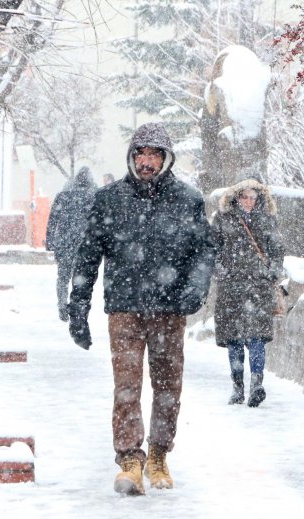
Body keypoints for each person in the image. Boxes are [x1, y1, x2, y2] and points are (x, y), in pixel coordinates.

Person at [67, 122, 216, 496]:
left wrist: (195, 289)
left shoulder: (188, 200)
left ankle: (159, 454)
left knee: (168, 386)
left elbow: (203, 253)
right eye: (140, 154)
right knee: (127, 386)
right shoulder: (109, 199)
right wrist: (77, 308)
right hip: (125, 309)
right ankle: (130, 459)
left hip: (169, 310)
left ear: (166, 159)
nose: (146, 162)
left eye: (154, 155)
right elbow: (87, 256)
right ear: (131, 157)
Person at [211, 178, 285, 407]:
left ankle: (256, 384)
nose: (249, 201)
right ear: (236, 197)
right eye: (245, 197)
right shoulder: (222, 219)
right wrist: (221, 270)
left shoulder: (267, 219)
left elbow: (277, 249)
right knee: (233, 338)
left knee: (257, 338)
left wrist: (272, 271)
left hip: (259, 287)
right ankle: (237, 387)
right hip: (231, 287)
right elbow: (211, 247)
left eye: (254, 197)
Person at [46, 167, 97, 321]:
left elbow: (52, 220)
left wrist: (50, 242)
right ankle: (77, 307)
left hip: (64, 243)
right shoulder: (93, 197)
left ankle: (62, 304)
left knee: (62, 277)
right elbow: (98, 223)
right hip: (83, 244)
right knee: (80, 278)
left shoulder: (63, 196)